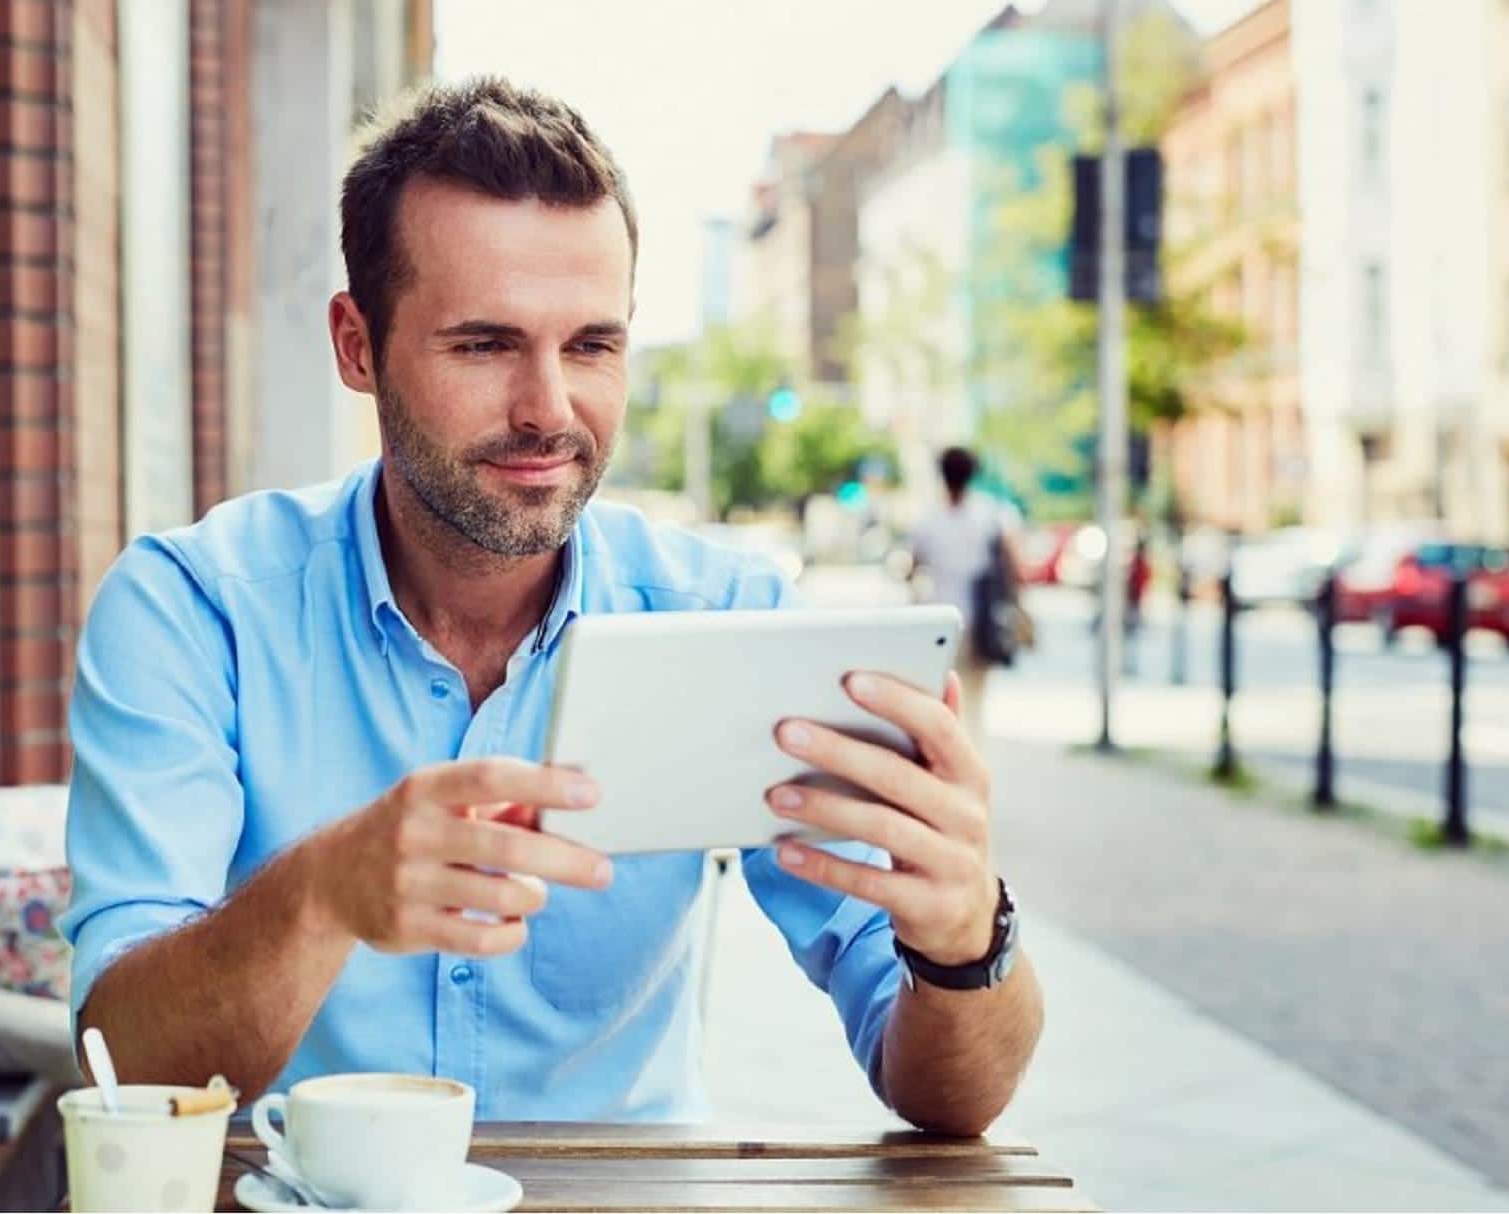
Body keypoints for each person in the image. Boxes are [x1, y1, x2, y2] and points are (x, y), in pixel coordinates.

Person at [62, 78, 1041, 1130]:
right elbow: (122, 1070)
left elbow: (954, 1100)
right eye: (484, 344)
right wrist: (324, 893)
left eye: (592, 345)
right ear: (356, 344)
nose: (549, 409)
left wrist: (965, 940)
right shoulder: (194, 609)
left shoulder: (724, 617)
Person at [905, 448, 1025, 739]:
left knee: (944, 694)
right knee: (975, 697)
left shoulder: (928, 520)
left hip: (939, 621)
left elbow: (911, 569)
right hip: (982, 618)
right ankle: (970, 753)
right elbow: (1016, 567)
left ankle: (946, 753)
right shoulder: (992, 514)